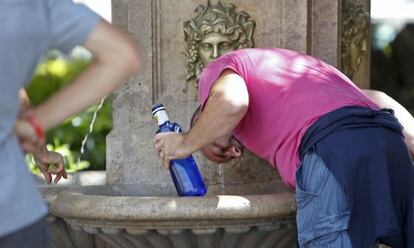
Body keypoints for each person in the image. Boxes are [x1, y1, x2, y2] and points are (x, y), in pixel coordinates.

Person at [154, 48, 414, 247]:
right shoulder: (309, 74)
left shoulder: (221, 69)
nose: (231, 151)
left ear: (204, 111)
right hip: (388, 144)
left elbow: (231, 103)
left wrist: (186, 143)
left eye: (209, 143)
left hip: (333, 149)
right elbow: (380, 100)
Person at [0, 0, 141, 247]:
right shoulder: (30, 6)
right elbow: (122, 55)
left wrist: (37, 146)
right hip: (13, 216)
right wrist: (35, 126)